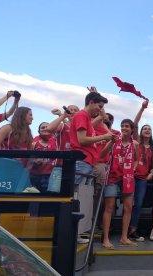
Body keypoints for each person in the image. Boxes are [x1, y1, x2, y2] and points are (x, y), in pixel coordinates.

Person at [69, 89, 114, 244]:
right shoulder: (81, 116)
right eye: (99, 106)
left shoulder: (87, 118)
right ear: (91, 103)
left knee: (84, 198)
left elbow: (100, 118)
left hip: (88, 162)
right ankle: (72, 232)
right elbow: (81, 140)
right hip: (82, 162)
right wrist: (105, 137)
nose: (100, 110)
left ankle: (77, 232)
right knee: (78, 197)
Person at [100, 119, 139, 249]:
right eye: (122, 126)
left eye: (127, 126)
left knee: (128, 208)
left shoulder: (135, 144)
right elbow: (102, 154)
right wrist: (111, 141)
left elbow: (136, 159)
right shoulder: (115, 139)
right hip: (112, 177)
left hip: (127, 178)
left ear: (132, 129)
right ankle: (105, 238)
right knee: (109, 208)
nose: (124, 128)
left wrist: (132, 169)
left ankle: (124, 237)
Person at [128, 100, 153, 242]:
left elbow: (152, 166)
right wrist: (142, 109)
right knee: (129, 203)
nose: (147, 130)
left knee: (138, 204)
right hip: (131, 176)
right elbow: (135, 124)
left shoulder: (152, 149)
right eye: (145, 128)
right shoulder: (136, 142)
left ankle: (133, 230)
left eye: (149, 129)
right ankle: (124, 230)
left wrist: (151, 174)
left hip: (142, 180)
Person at [29, 122, 57, 192]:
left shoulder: (57, 142)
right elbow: (28, 159)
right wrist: (34, 160)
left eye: (47, 127)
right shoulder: (33, 143)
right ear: (39, 131)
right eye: (43, 127)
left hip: (51, 175)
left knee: (48, 199)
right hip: (34, 175)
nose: (45, 129)